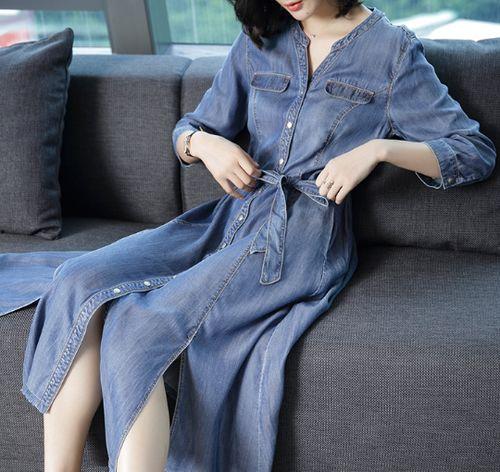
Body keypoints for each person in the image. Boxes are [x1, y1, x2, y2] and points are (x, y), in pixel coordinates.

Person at [16, 1, 496, 471]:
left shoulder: (391, 51)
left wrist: (378, 150)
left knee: (137, 324)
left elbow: (473, 151)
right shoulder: (261, 38)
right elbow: (191, 128)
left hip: (303, 240)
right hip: (230, 216)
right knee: (78, 278)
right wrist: (205, 145)